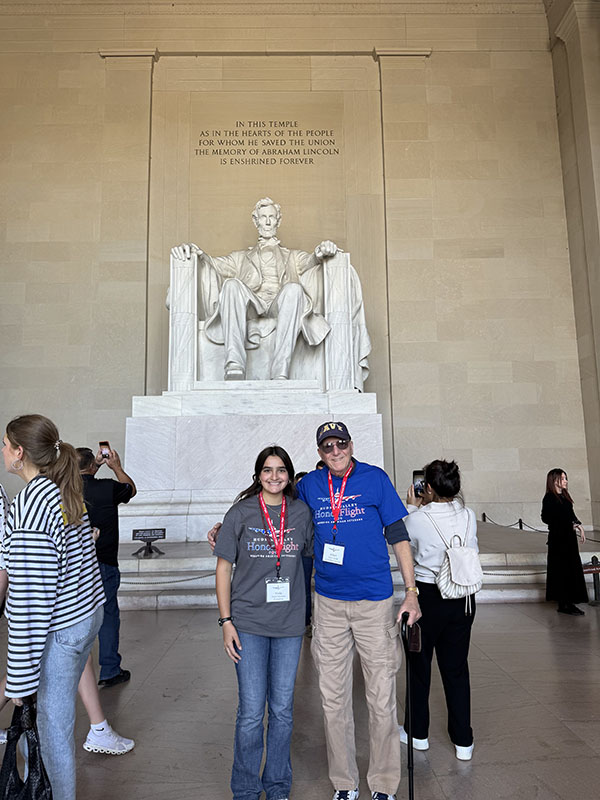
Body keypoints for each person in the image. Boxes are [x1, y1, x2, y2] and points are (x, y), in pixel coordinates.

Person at [296, 422, 421, 800]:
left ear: (351, 445)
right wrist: (230, 524)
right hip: (329, 604)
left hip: (374, 603)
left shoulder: (374, 478)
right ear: (319, 452)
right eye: (327, 446)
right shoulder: (309, 486)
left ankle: (384, 784)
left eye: (341, 444)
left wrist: (412, 593)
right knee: (332, 699)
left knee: (381, 698)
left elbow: (398, 536)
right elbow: (272, 501)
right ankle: (345, 783)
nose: (335, 451)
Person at [1, 414, 105, 800]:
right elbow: (84, 561)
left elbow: (32, 597)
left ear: (20, 452)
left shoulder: (32, 504)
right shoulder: (61, 488)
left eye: (5, 444)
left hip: (60, 631)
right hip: (83, 618)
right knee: (51, 725)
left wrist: (20, 679)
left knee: (51, 730)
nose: (2, 450)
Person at [214, 445, 313, 800]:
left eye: (281, 470)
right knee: (252, 711)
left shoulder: (301, 513)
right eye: (268, 470)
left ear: (289, 475)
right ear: (258, 475)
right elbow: (223, 568)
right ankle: (244, 788)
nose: (275, 477)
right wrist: (226, 621)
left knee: (283, 710)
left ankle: (277, 785)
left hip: (288, 626)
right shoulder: (240, 513)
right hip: (248, 624)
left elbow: (319, 550)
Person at [171, 197, 345, 381]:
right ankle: (234, 366)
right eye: (263, 217)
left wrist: (321, 251)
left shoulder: (292, 257)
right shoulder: (240, 258)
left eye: (272, 217)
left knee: (294, 289)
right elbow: (213, 263)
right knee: (231, 285)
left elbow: (311, 260)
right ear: (256, 221)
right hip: (252, 305)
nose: (268, 222)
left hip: (280, 304)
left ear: (279, 220)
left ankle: (280, 371)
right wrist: (194, 251)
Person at [398, 459, 478, 761]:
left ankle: (417, 733)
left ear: (427, 488)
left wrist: (411, 507)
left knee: (419, 667)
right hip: (463, 598)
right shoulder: (468, 514)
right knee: (457, 669)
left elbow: (407, 548)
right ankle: (463, 741)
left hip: (427, 597)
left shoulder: (418, 518)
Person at [77, 445, 136, 687]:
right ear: (93, 466)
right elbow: (130, 489)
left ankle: (78, 671)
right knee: (108, 615)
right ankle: (109, 669)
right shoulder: (106, 488)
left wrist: (90, 468)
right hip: (103, 562)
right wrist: (115, 466)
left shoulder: (61, 490)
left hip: (74, 565)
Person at [542, 468, 588, 615]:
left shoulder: (565, 497)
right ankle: (564, 603)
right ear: (554, 480)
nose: (566, 481)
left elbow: (571, 515)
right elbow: (546, 518)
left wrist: (578, 526)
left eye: (565, 478)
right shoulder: (549, 498)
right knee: (561, 571)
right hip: (558, 540)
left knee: (572, 569)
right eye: (563, 478)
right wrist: (568, 524)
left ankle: (570, 601)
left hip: (569, 539)